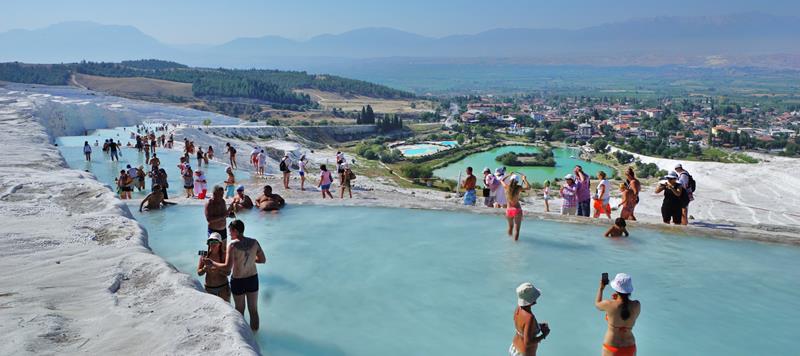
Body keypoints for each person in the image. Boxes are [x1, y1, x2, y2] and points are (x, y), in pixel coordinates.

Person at [205, 220, 266, 330]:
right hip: (252, 278)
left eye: (230, 231)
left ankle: (244, 339)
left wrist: (212, 263)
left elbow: (227, 267)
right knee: (253, 310)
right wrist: (251, 260)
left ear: (235, 231)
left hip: (238, 280)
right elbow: (262, 260)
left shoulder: (232, 245)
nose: (229, 233)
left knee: (239, 310)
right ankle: (255, 338)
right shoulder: (254, 242)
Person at [596, 273, 640, 356]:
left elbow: (597, 304)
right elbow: (626, 312)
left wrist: (601, 288)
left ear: (616, 289)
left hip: (612, 347)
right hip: (630, 346)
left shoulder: (609, 304)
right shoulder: (637, 305)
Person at [510, 282, 550, 356]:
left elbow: (522, 327)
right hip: (524, 353)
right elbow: (528, 343)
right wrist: (544, 335)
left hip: (514, 348)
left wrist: (537, 326)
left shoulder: (518, 309)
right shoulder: (529, 318)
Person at [197, 233, 231, 302]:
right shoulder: (204, 255)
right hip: (209, 288)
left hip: (223, 288)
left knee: (225, 310)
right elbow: (199, 273)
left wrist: (218, 268)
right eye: (211, 241)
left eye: (215, 241)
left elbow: (228, 272)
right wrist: (204, 269)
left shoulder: (224, 255)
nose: (213, 244)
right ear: (208, 243)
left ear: (220, 243)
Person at [500, 173, 531, 241]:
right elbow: (529, 187)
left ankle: (508, 242)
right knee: (517, 231)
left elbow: (501, 180)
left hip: (509, 210)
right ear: (517, 181)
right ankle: (515, 246)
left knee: (510, 227)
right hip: (517, 210)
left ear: (510, 180)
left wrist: (508, 175)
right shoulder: (519, 188)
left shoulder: (506, 187)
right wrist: (524, 179)